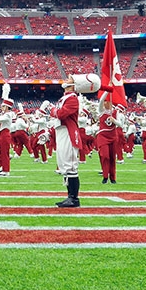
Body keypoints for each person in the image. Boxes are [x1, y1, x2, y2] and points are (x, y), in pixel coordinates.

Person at [53, 73, 100, 207]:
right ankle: (69, 196)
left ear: (74, 85)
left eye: (70, 79)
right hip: (63, 131)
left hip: (68, 132)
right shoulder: (66, 98)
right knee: (65, 166)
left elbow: (61, 114)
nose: (66, 79)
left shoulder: (73, 98)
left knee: (70, 166)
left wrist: (52, 110)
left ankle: (74, 198)